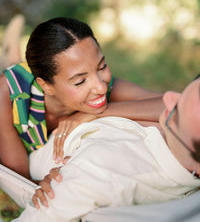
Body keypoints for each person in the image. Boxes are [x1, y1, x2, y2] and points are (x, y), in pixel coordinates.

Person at [0, 17, 163, 201]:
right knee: (12, 72)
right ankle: (10, 57)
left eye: (102, 66)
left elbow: (173, 104)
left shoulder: (99, 87)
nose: (100, 87)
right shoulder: (7, 96)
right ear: (46, 86)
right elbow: (19, 181)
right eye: (80, 81)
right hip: (19, 88)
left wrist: (92, 114)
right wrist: (48, 184)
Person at [12, 74, 200, 221]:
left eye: (174, 114)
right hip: (79, 124)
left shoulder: (95, 171)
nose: (168, 96)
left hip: (32, 146)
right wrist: (93, 114)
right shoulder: (180, 148)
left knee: (11, 91)